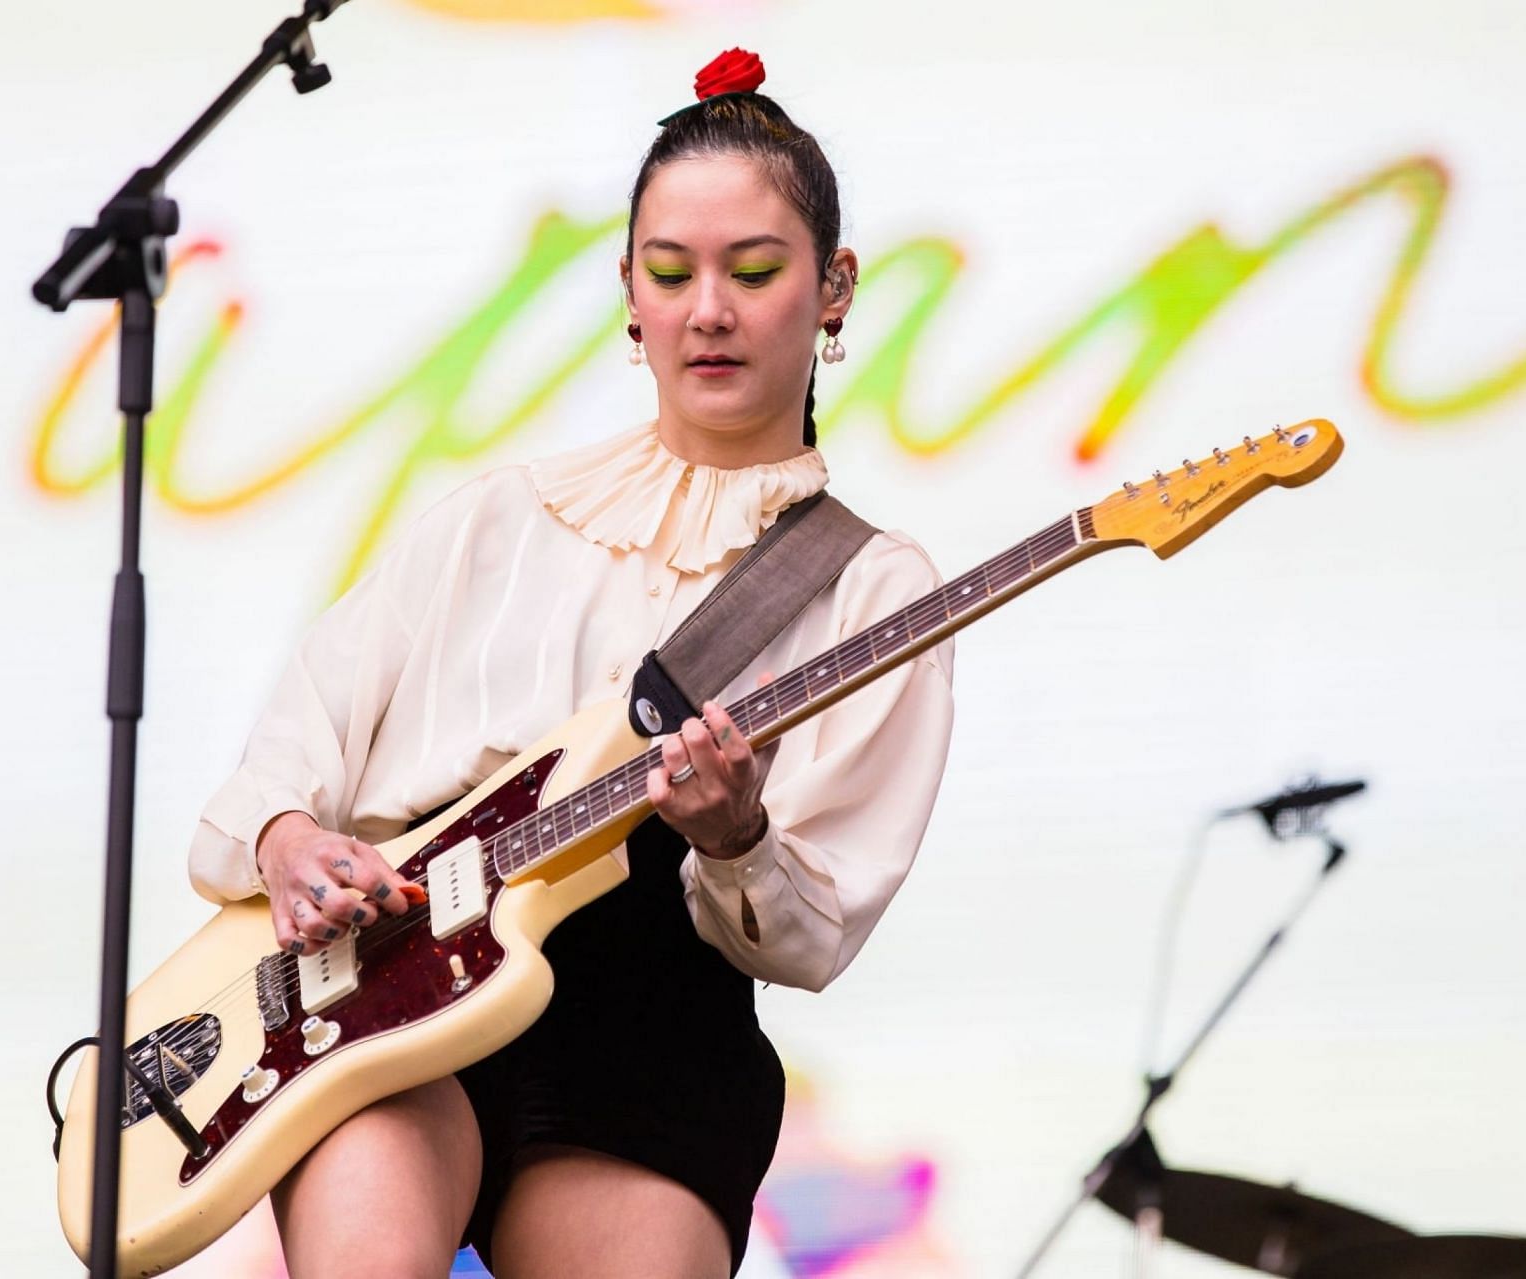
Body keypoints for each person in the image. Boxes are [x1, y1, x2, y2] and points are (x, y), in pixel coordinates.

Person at [187, 48, 956, 1279]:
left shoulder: (874, 584)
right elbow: (295, 744)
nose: (710, 307)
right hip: (392, 994)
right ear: (629, 295)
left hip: (651, 1035)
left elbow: (811, 934)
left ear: (835, 289)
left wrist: (735, 834)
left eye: (755, 270)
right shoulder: (495, 516)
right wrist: (286, 841)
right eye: (672, 271)